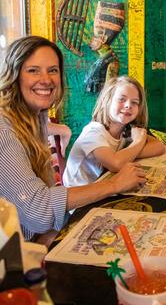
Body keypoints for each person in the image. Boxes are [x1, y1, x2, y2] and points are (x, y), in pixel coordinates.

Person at [0, 36, 147, 241]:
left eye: (52, 70)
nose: (46, 79)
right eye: (33, 70)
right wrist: (114, 185)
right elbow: (39, 212)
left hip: (33, 235)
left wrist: (62, 129)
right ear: (14, 75)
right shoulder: (4, 132)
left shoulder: (35, 117)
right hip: (13, 254)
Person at [63, 76, 165, 187]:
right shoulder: (93, 132)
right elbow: (116, 164)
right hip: (78, 195)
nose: (128, 105)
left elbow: (159, 146)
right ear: (107, 101)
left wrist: (127, 155)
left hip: (103, 186)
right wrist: (138, 142)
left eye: (135, 102)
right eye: (122, 99)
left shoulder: (127, 129)